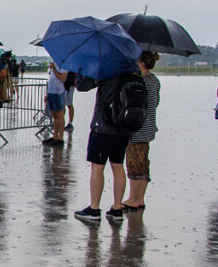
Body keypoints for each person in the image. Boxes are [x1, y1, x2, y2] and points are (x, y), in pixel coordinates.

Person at [73, 72, 138, 224]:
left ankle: (94, 208)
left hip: (103, 127)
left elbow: (82, 86)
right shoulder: (133, 71)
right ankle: (117, 208)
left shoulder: (107, 69)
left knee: (97, 167)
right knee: (118, 165)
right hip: (124, 127)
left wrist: (81, 71)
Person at [122, 52, 161, 209]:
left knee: (133, 162)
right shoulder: (154, 80)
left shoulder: (142, 81)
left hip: (138, 126)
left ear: (142, 63)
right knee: (144, 162)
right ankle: (140, 198)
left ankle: (133, 198)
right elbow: (155, 102)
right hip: (149, 125)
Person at [43, 61, 68, 146]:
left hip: (58, 92)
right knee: (54, 114)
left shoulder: (63, 66)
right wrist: (47, 94)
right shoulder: (55, 64)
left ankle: (60, 137)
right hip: (51, 92)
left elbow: (63, 78)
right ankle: (55, 136)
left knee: (59, 114)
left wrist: (54, 69)